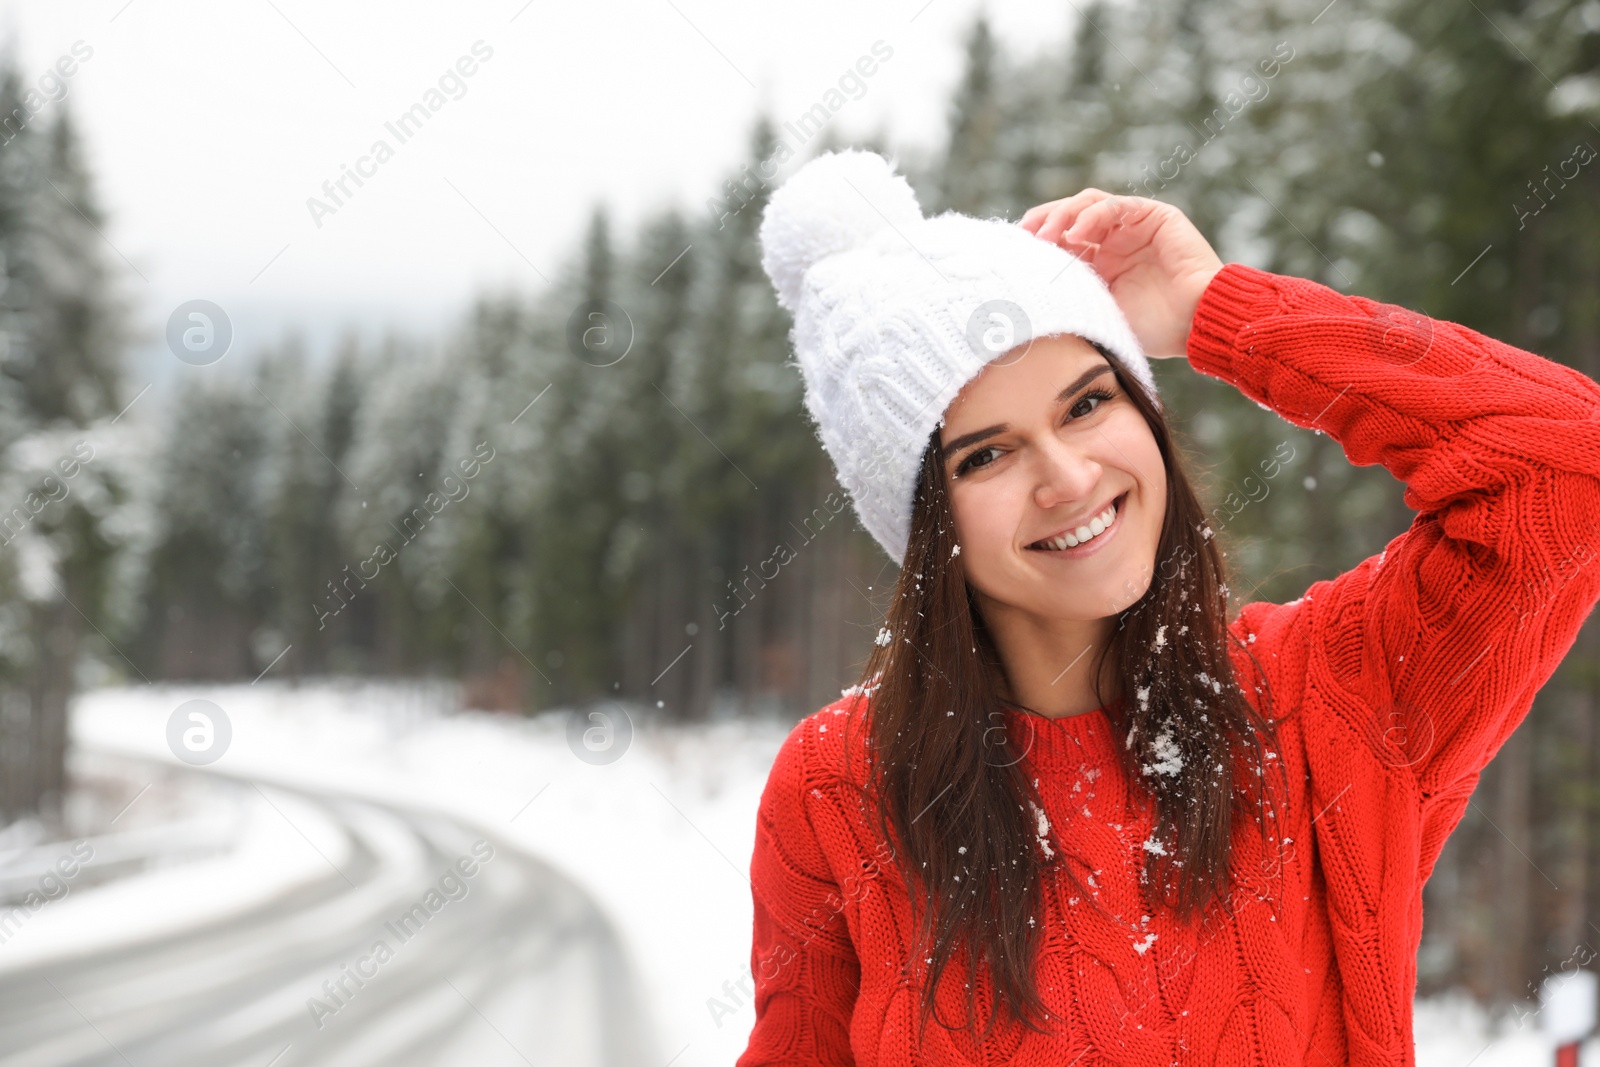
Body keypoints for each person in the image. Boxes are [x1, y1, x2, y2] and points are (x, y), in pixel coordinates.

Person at [736, 149, 1600, 1066]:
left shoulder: (1329, 696)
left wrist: (1217, 310)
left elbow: (1568, 465)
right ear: (920, 523)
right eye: (984, 456)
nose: (1069, 478)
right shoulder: (840, 786)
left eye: (1087, 403)